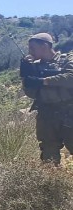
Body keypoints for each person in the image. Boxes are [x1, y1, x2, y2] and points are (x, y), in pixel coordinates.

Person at [21, 32, 73, 165]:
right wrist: (27, 75)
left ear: (44, 46)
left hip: (69, 112)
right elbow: (31, 93)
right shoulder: (35, 66)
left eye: (32, 48)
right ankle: (52, 184)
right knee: (49, 156)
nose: (30, 51)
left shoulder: (66, 60)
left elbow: (70, 78)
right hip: (46, 115)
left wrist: (44, 81)